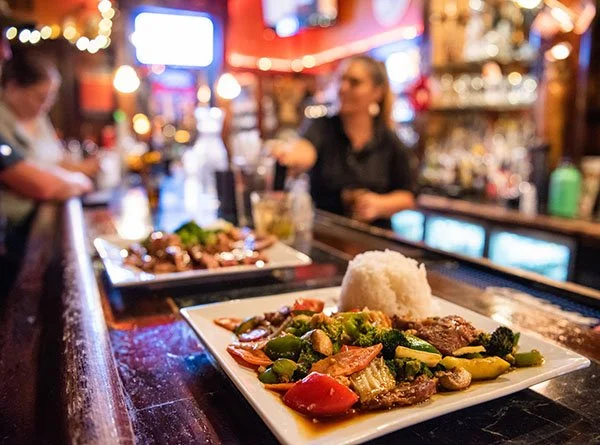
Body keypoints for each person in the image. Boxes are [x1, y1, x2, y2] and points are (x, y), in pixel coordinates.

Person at [0, 12, 93, 295]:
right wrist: (78, 180)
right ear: (14, 89)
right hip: (14, 239)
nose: (5, 53)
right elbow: (35, 181)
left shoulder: (34, 120)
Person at [272, 55, 415, 226]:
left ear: (377, 92)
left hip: (375, 241)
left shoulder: (389, 140)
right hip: (329, 236)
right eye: (341, 80)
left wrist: (379, 204)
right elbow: (305, 150)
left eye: (354, 82)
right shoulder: (323, 126)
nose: (343, 88)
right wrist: (290, 155)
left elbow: (408, 195)